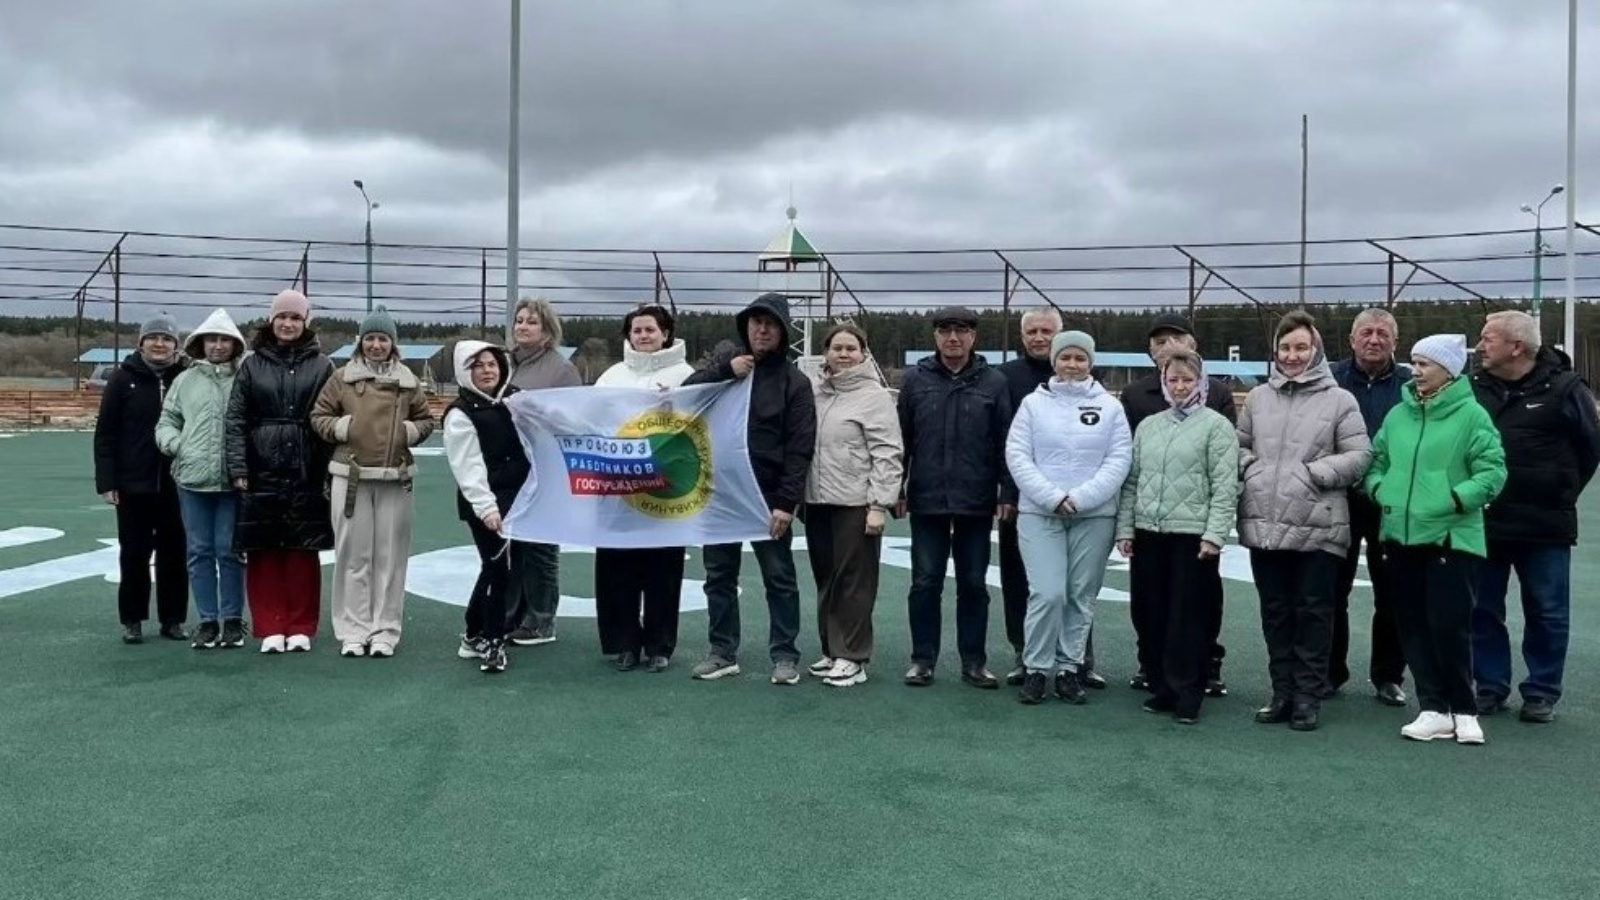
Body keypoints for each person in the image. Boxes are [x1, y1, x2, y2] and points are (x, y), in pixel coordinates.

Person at [1364, 334, 1505, 745]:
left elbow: (1492, 470)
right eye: (1414, 362)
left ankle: (1464, 709)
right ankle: (1433, 708)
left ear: (1449, 370)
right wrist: (1380, 491)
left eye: (1425, 363)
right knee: (1411, 624)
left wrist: (1456, 500)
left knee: (1449, 624)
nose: (1416, 371)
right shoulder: (1398, 415)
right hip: (1400, 535)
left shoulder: (1472, 416)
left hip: (1450, 536)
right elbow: (1377, 462)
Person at [1237, 311, 1372, 732]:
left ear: (1316, 350)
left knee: (1314, 612)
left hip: (1319, 525)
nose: (1292, 355)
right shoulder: (1258, 398)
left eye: (1301, 347)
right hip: (1266, 523)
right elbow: (1236, 446)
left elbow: (1360, 455)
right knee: (1275, 612)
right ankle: (1281, 693)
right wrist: (1252, 470)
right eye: (1285, 347)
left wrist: (1314, 475)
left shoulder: (1340, 400)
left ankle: (1308, 697)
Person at [1470, 310, 1600, 723]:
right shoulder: (1473, 389)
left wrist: (1560, 491)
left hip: (1546, 525)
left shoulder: (1567, 389)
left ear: (1516, 346)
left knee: (1547, 611)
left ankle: (1542, 692)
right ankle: (1489, 687)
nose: (1480, 345)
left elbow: (1590, 449)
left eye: (1488, 338)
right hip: (1486, 521)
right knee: (1481, 608)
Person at [683, 292, 816, 685]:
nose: (762, 330)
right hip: (720, 495)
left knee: (779, 579)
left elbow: (800, 447)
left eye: (771, 323)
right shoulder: (725, 371)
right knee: (718, 577)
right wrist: (724, 370)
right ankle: (722, 652)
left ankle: (785, 655)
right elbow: (684, 397)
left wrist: (786, 502)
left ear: (783, 331)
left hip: (766, 499)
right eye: (756, 322)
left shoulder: (795, 382)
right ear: (746, 328)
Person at [1004, 330, 1131, 705]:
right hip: (1039, 513)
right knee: (1048, 592)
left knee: (1080, 595)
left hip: (1094, 516)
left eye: (1080, 358)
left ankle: (1068, 668)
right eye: (1065, 357)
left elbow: (1119, 459)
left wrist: (1083, 498)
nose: (1072, 364)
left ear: (1090, 362)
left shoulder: (1110, 407)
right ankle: (1035, 668)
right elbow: (1018, 455)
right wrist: (1052, 497)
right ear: (1054, 361)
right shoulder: (1032, 404)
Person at [1115, 350, 1238, 724]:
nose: (1180, 386)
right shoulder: (1148, 426)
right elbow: (1132, 482)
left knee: (1188, 617)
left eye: (1187, 379)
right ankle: (1162, 687)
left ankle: (1188, 692)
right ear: (1164, 382)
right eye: (1173, 379)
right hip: (1149, 533)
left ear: (1200, 382)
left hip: (1192, 537)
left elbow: (1225, 485)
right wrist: (1125, 529)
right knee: (1150, 613)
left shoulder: (1217, 427)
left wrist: (1214, 535)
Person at [898, 306, 1014, 689]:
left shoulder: (994, 383)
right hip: (927, 499)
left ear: (973, 337)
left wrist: (1007, 491)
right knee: (925, 582)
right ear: (935, 337)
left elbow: (1005, 442)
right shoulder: (914, 380)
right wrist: (897, 488)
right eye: (945, 331)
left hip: (976, 502)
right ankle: (922, 660)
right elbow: (902, 440)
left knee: (974, 585)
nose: (953, 338)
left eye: (961, 331)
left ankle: (974, 662)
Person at [310, 306, 435, 659]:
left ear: (392, 343)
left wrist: (408, 432)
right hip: (350, 476)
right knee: (353, 555)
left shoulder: (408, 380)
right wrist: (343, 428)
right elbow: (319, 415)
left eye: (383, 338)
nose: (376, 345)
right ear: (360, 342)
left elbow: (425, 419)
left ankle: (385, 631)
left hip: (395, 477)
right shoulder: (341, 378)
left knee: (390, 558)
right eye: (370, 338)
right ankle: (353, 630)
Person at [995, 307, 1105, 689]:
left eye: (1047, 331)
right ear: (1022, 336)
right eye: (1032, 331)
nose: (1039, 337)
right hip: (1023, 498)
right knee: (1022, 580)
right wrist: (1009, 490)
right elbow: (1005, 441)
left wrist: (1084, 495)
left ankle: (1079, 660)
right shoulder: (1005, 377)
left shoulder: (1094, 386)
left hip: (1084, 504)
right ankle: (1024, 654)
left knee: (1078, 586)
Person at [225, 289, 335, 655]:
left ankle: (301, 626)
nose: (288, 324)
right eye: (282, 317)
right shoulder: (251, 365)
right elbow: (236, 419)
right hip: (261, 464)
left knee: (303, 548)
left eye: (295, 318)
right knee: (264, 547)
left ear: (306, 322)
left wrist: (327, 469)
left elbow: (330, 416)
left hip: (307, 465)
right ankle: (270, 625)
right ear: (271, 321)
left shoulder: (323, 365)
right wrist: (238, 466)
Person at [592, 304, 697, 673]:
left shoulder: (687, 376)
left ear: (666, 333)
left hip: (665, 488)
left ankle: (659, 645)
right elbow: (593, 420)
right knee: (616, 569)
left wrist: (676, 405)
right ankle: (623, 643)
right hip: (618, 489)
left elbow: (701, 423)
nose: (643, 336)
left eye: (650, 329)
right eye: (636, 330)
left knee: (663, 569)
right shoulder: (611, 376)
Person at [804, 323, 904, 688]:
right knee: (826, 578)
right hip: (817, 501)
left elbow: (888, 452)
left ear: (863, 354)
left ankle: (853, 656)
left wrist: (878, 505)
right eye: (837, 348)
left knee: (855, 582)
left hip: (856, 503)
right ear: (826, 353)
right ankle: (832, 650)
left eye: (851, 348)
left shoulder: (875, 397)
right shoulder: (815, 392)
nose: (843, 354)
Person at [1329, 308, 1411, 706]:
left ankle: (1388, 676)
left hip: (1390, 502)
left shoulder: (1410, 384)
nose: (1374, 340)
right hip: (1338, 499)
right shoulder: (1330, 379)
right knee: (1332, 589)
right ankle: (1329, 673)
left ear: (1395, 341)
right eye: (1366, 332)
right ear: (1352, 339)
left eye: (1382, 333)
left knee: (1393, 593)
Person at [94, 312, 191, 643]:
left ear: (176, 345)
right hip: (133, 483)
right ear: (142, 343)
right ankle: (132, 619)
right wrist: (107, 481)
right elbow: (105, 433)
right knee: (134, 553)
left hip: (178, 483)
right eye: (153, 338)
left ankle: (173, 619)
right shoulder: (123, 378)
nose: (159, 344)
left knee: (175, 553)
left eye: (166, 339)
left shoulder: (186, 377)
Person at [155, 308, 247, 650]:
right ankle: (208, 621)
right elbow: (167, 420)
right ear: (201, 343)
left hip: (232, 481)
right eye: (212, 339)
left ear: (235, 344)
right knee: (198, 551)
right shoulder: (185, 380)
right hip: (192, 479)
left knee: (229, 550)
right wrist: (176, 445)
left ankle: (233, 620)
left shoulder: (244, 379)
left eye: (225, 340)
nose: (218, 346)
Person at [443, 340, 531, 674]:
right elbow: (467, 467)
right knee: (498, 568)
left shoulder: (516, 399)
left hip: (520, 498)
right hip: (486, 502)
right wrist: (486, 508)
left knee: (504, 567)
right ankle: (493, 640)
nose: (487, 370)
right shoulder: (460, 413)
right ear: (465, 372)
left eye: (492, 363)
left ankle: (473, 633)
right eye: (477, 365)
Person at [504, 296, 582, 647]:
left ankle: (541, 620)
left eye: (531, 321)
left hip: (545, 468)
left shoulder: (560, 369)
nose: (523, 326)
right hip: (510, 467)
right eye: (519, 320)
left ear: (547, 331)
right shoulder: (505, 363)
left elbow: (573, 419)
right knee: (513, 544)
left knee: (541, 546)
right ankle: (513, 614)